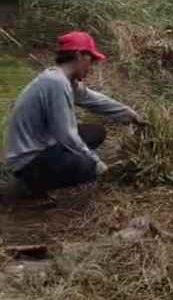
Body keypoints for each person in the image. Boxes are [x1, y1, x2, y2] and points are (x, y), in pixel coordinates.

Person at [5, 31, 144, 203]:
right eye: (91, 60)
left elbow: (93, 99)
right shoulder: (56, 84)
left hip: (42, 148)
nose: (91, 67)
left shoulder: (63, 79)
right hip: (28, 162)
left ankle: (41, 178)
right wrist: (97, 164)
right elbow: (67, 135)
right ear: (79, 56)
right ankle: (24, 186)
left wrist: (128, 113)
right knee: (86, 166)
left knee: (96, 132)